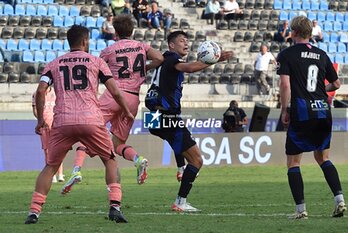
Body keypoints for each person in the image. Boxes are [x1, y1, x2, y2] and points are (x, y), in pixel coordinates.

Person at [25, 25, 134, 224]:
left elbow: (41, 91)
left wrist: (40, 120)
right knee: (109, 159)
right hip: (91, 119)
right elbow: (115, 91)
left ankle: (34, 212)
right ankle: (115, 207)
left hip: (63, 121)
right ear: (85, 41)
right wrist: (126, 111)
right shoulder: (97, 62)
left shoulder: (53, 63)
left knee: (50, 166)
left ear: (69, 41)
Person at [61, 14, 164, 194]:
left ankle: (76, 171)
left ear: (115, 32)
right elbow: (160, 59)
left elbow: (96, 69)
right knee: (117, 144)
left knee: (89, 130)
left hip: (114, 95)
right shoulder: (141, 46)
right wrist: (142, 69)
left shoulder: (110, 50)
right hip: (132, 99)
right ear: (132, 30)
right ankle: (138, 160)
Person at [145, 31, 233, 212]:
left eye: (187, 40)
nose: (186, 43)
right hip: (165, 116)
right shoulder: (170, 58)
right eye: (181, 41)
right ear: (171, 45)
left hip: (154, 117)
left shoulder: (165, 61)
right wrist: (213, 60)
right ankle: (180, 202)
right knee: (197, 160)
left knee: (179, 142)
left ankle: (181, 169)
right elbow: (190, 68)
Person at [277, 15, 346, 219]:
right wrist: (319, 90)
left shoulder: (287, 54)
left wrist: (284, 110)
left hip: (302, 110)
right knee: (323, 157)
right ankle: (340, 200)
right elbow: (336, 85)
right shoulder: (322, 54)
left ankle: (300, 210)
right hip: (323, 109)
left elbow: (285, 85)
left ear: (294, 33)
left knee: (293, 163)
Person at [32, 87, 64, 183]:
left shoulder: (57, 92)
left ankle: (60, 175)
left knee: (58, 149)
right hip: (44, 126)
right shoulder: (36, 93)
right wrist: (42, 121)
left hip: (56, 124)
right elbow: (35, 110)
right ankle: (52, 175)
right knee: (47, 151)